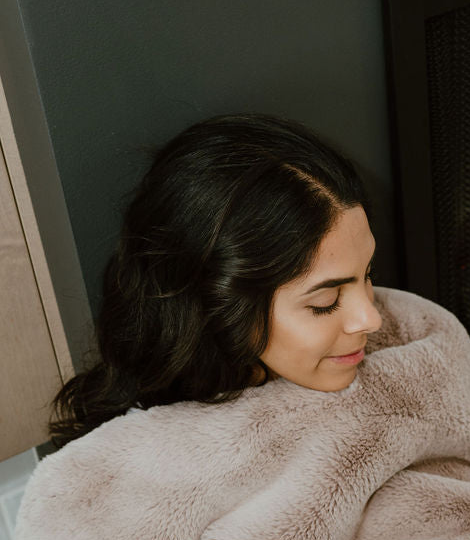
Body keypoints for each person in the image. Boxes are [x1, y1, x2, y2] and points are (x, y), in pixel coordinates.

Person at [47, 113, 383, 452]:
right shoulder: (135, 466)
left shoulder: (416, 343)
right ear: (218, 303)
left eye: (367, 274)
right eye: (325, 301)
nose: (372, 318)